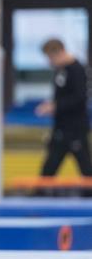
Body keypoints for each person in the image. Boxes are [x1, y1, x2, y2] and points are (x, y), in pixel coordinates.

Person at [35, 38, 92, 177]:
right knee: (48, 170)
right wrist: (51, 106)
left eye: (50, 57)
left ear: (59, 52)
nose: (49, 62)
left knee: (86, 169)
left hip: (75, 129)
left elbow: (80, 98)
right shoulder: (60, 71)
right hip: (60, 129)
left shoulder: (78, 70)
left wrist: (55, 106)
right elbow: (61, 97)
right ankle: (39, 194)